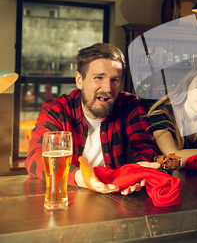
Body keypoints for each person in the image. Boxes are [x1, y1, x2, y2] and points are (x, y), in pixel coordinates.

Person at [25, 43, 160, 195]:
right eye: (98, 78)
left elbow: (145, 146)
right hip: (70, 194)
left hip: (115, 195)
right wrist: (80, 177)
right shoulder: (57, 110)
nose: (108, 88)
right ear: (79, 80)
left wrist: (137, 173)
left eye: (114, 80)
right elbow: (35, 158)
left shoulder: (128, 104)